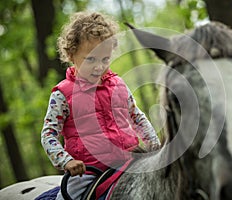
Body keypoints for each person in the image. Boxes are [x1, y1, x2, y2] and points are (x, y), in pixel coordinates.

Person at [40, 11, 161, 200]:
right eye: (91, 59)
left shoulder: (119, 85)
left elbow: (137, 117)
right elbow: (48, 134)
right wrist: (67, 161)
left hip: (129, 162)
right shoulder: (62, 94)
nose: (99, 66)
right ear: (71, 55)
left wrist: (154, 145)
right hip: (87, 173)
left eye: (105, 59)